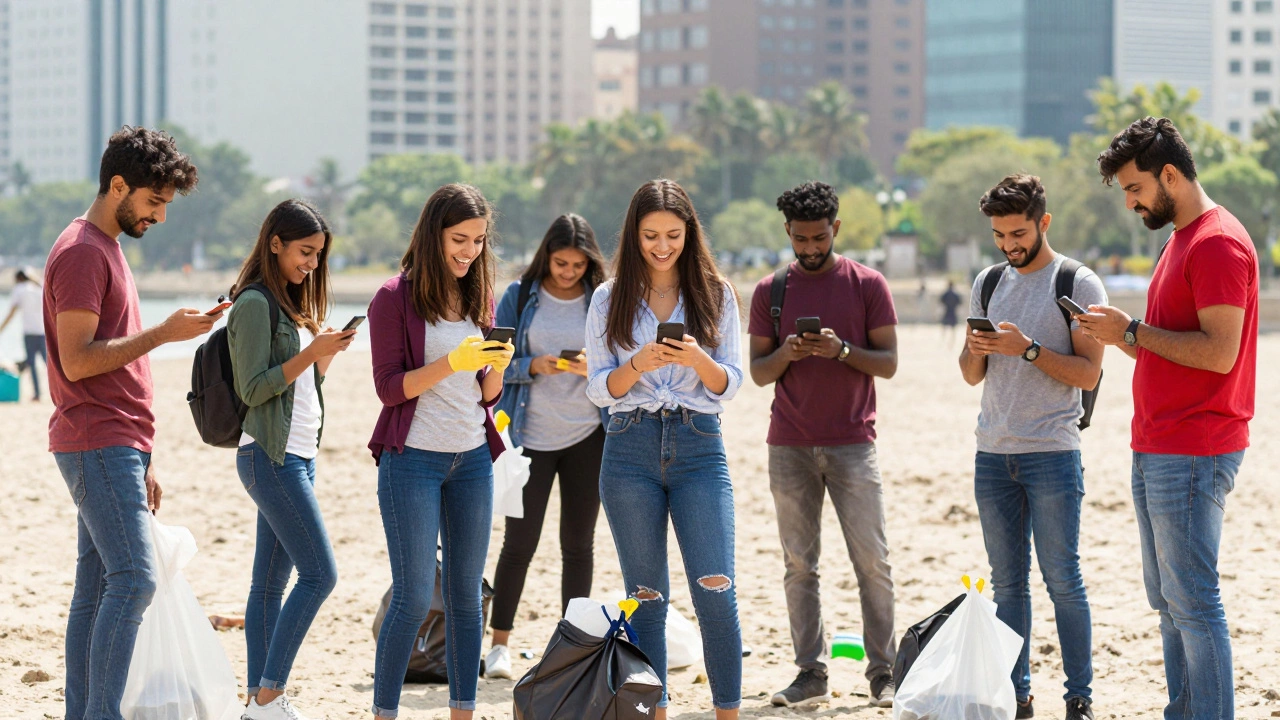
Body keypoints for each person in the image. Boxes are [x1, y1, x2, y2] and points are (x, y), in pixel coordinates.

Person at [1081, 117, 1258, 720]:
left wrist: (1132, 330)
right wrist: (1120, 333)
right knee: (1171, 601)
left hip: (1194, 446)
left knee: (1194, 602)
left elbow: (1218, 352)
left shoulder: (1216, 243)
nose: (1130, 202)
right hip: (1159, 443)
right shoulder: (1180, 239)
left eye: (1135, 188)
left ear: (1172, 176)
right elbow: (1167, 342)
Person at [44, 126, 210, 720]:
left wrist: (144, 456)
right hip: (96, 439)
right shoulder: (84, 250)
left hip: (116, 443)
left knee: (96, 590)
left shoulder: (103, 246)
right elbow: (77, 359)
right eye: (154, 201)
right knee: (135, 581)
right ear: (118, 185)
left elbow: (112, 363)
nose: (161, 216)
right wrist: (165, 333)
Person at [585, 178, 744, 720]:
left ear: (688, 232)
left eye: (672, 234)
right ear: (633, 234)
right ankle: (655, 712)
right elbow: (596, 386)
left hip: (701, 447)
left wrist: (698, 359)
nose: (661, 245)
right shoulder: (608, 297)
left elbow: (731, 383)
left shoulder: (717, 293)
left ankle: (727, 712)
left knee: (716, 588)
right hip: (628, 446)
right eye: (650, 234)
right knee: (647, 597)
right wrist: (637, 365)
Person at [746, 182, 899, 709]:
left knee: (872, 562)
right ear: (786, 231)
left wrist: (841, 350)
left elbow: (888, 363)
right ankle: (810, 672)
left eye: (818, 237)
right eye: (799, 239)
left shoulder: (868, 284)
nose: (809, 247)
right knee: (799, 565)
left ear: (836, 228)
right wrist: (788, 352)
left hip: (854, 443)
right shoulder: (771, 290)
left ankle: (884, 673)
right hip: (788, 445)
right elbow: (759, 373)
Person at [959, 174, 1105, 720]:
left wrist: (1027, 350)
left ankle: (1079, 697)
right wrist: (978, 348)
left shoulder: (1078, 283)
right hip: (992, 454)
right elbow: (971, 375)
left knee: (1063, 579)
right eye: (999, 235)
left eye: (1018, 233)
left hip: (1052, 453)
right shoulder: (989, 282)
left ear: (1043, 222)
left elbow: (1088, 374)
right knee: (1006, 584)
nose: (1008, 245)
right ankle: (1016, 695)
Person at [367, 183, 514, 720]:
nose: (469, 251)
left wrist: (496, 366)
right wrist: (453, 361)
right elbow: (388, 389)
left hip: (472, 459)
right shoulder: (392, 297)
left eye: (477, 240)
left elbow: (487, 394)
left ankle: (463, 712)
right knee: (409, 598)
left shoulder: (480, 295)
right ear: (433, 235)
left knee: (467, 600)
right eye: (459, 239)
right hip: (413, 461)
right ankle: (385, 712)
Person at [228, 199, 356, 720]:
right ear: (275, 242)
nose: (312, 263)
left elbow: (300, 386)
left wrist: (323, 356)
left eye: (319, 255)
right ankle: (269, 696)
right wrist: (309, 353)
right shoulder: (255, 304)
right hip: (268, 455)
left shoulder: (291, 303)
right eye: (305, 252)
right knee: (320, 575)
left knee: (269, 585)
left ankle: (258, 703)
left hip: (298, 455)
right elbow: (254, 389)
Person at [484, 213, 610, 679]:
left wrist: (590, 369)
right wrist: (533, 364)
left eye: (578, 265)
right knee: (519, 543)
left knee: (578, 545)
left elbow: (618, 361)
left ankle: (572, 648)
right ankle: (498, 644)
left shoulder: (602, 297)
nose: (568, 272)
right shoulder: (520, 295)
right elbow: (493, 358)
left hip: (589, 436)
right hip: (529, 436)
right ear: (547, 256)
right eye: (561, 263)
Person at [0, 268, 46, 400]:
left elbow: (12, 312)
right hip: (43, 331)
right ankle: (62, 390)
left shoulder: (19, 289)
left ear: (18, 279)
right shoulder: (38, 287)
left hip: (29, 333)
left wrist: (1, 328)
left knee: (31, 364)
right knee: (48, 363)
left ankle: (37, 394)